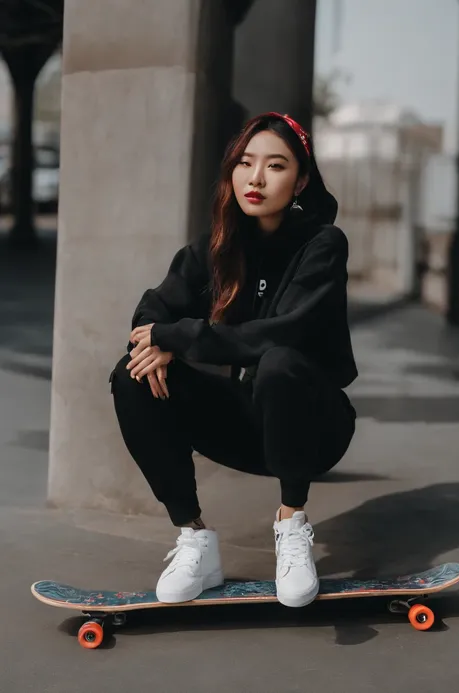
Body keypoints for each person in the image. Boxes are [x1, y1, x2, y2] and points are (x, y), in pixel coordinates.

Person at [109, 112, 358, 608]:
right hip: (250, 424)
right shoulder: (217, 247)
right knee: (130, 374)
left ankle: (292, 524)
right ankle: (195, 539)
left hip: (313, 425)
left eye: (276, 165)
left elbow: (280, 334)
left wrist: (177, 336)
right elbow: (154, 309)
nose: (257, 178)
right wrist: (155, 343)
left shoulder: (322, 245)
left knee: (280, 361)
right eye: (245, 163)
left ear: (301, 179)